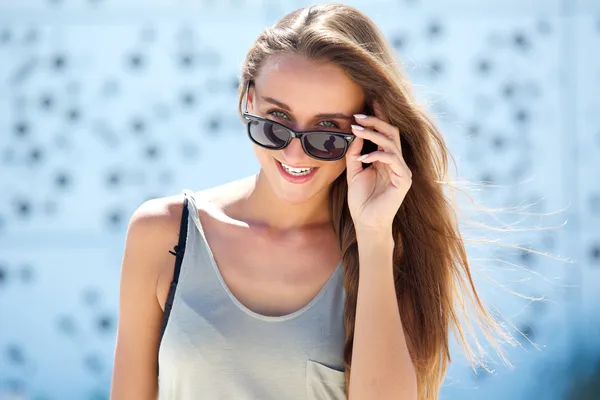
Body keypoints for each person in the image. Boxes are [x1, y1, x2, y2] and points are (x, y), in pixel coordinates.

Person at [110, 4, 510, 400]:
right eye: (276, 119)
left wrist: (373, 237)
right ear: (249, 100)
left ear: (369, 130)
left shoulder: (387, 251)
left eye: (328, 131)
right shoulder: (161, 233)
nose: (295, 154)